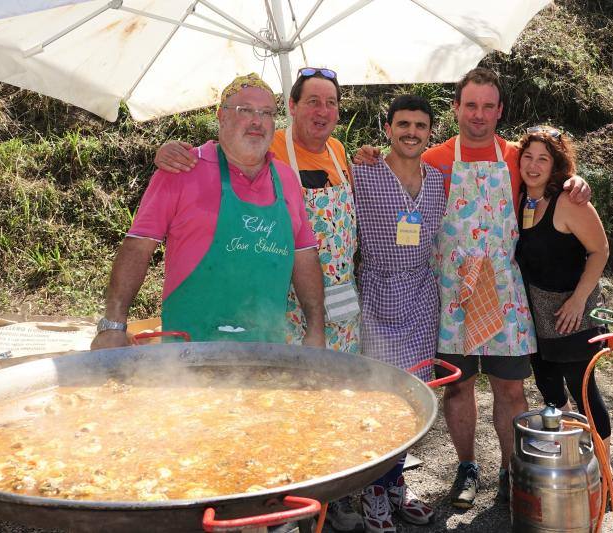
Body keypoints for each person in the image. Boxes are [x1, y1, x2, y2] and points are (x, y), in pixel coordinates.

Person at [354, 67, 591, 508]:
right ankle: (467, 467)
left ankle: (510, 470)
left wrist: (578, 182)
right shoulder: (435, 158)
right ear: (456, 108)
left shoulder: (518, 157)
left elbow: (556, 182)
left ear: (500, 110)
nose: (478, 115)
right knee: (457, 385)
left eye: (487, 106)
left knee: (510, 389)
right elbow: (394, 170)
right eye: (470, 105)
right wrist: (367, 155)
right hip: (449, 290)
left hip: (503, 288)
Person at [154, 68, 364, 532]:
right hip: (236, 324)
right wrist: (167, 150)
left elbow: (307, 249)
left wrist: (318, 326)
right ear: (293, 109)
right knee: (209, 440)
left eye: (330, 103)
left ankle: (298, 501)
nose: (322, 111)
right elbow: (211, 160)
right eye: (312, 101)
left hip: (329, 308)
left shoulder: (337, 154)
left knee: (286, 422)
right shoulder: (240, 155)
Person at [90, 73, 325, 350]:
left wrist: (316, 328)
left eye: (266, 113)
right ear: (221, 116)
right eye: (245, 110)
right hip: (188, 351)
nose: (257, 121)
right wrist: (113, 324)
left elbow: (305, 257)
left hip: (266, 349)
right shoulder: (182, 169)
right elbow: (138, 248)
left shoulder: (286, 179)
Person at [352, 94, 440, 531]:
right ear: (387, 128)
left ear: (429, 132)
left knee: (415, 395)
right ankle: (373, 492)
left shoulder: (438, 179)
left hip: (422, 295)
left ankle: (396, 484)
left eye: (420, 125)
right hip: (375, 292)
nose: (411, 132)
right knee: (380, 396)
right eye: (402, 124)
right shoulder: (362, 171)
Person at [514, 125, 611, 462]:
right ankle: (573, 460)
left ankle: (603, 475)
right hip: (536, 317)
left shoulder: (570, 202)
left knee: (584, 393)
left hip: (574, 315)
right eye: (528, 156)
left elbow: (600, 251)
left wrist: (579, 299)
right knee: (551, 391)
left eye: (543, 159)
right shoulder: (521, 198)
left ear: (557, 167)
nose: (534, 165)